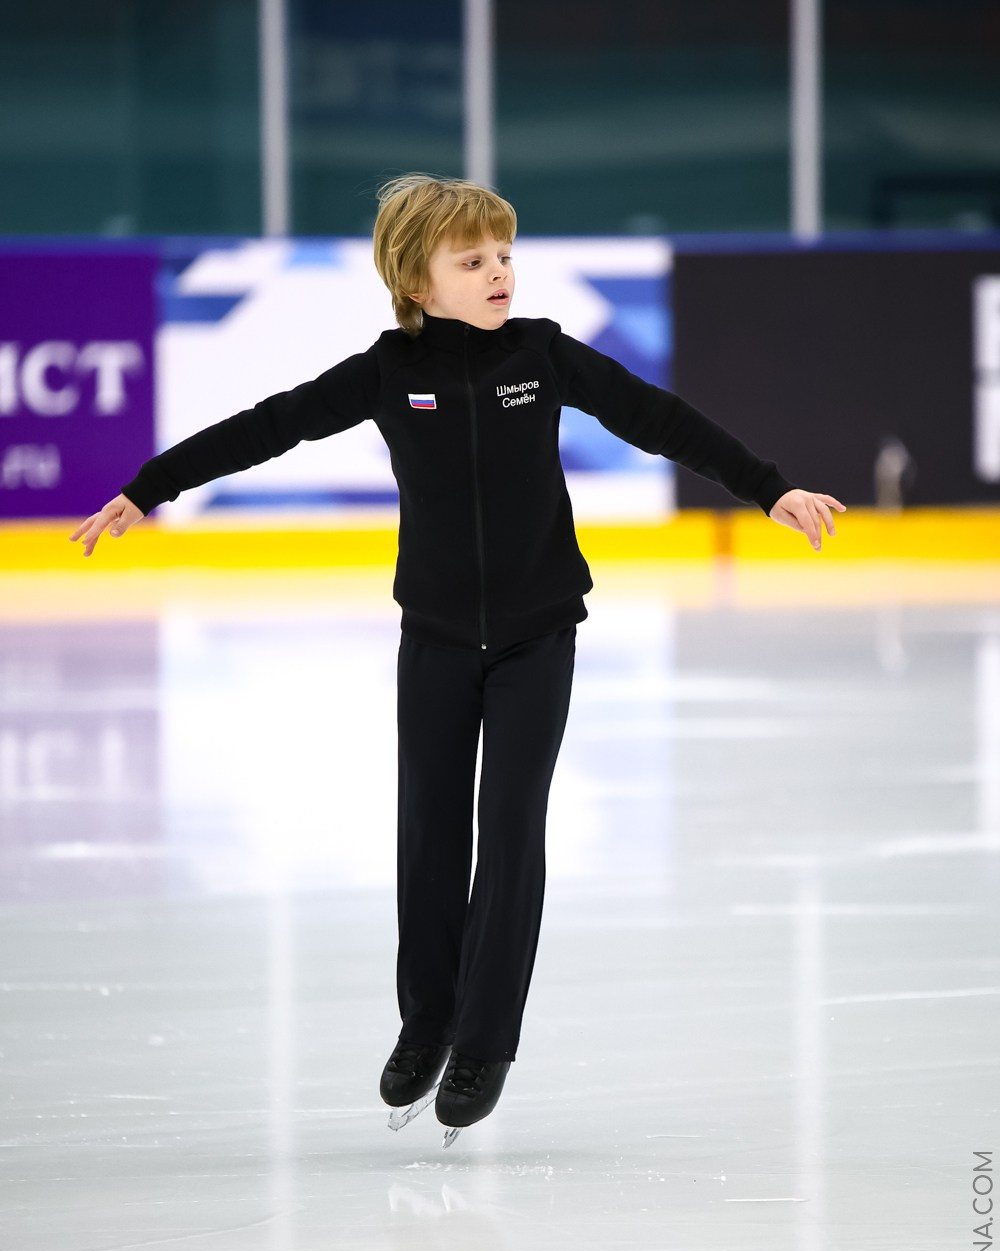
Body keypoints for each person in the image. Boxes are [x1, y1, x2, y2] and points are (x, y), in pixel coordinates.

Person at [69, 172, 847, 1144]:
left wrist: (766, 488)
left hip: (536, 636)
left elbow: (660, 418)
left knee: (510, 831)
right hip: (435, 640)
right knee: (430, 838)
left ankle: (483, 1042)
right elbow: (270, 424)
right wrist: (151, 487)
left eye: (503, 255)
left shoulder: (543, 355)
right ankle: (426, 1021)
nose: (498, 274)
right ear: (416, 279)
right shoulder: (386, 372)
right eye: (472, 260)